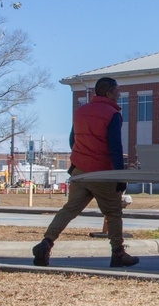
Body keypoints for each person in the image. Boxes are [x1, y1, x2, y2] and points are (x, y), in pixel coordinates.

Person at [33, 77, 138, 267]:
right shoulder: (112, 114)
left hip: (79, 171)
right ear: (108, 93)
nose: (119, 94)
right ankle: (118, 253)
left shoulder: (80, 112)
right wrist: (120, 176)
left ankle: (46, 242)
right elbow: (115, 147)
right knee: (113, 213)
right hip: (102, 173)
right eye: (117, 91)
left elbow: (73, 140)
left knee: (69, 210)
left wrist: (81, 157)